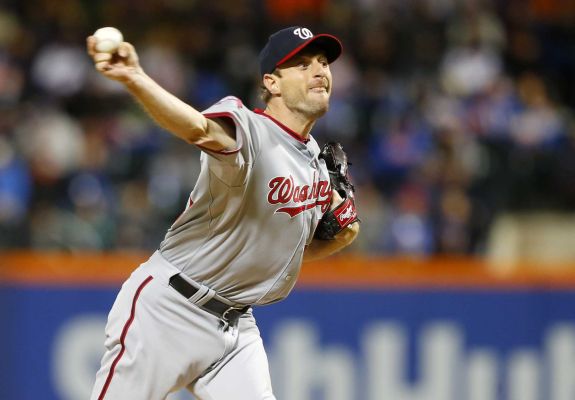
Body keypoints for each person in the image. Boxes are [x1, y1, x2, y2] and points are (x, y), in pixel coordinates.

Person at [86, 25, 359, 400]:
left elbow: (311, 243)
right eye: (301, 64)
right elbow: (199, 129)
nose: (319, 71)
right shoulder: (250, 128)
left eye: (323, 62)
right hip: (169, 309)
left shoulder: (316, 160)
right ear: (272, 83)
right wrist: (135, 77)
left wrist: (346, 230)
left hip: (236, 325)